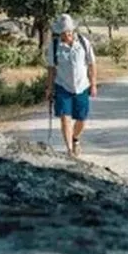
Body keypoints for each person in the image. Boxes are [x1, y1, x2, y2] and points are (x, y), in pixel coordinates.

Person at [46, 14, 97, 156]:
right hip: (63, 86)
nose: (66, 34)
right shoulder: (54, 46)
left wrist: (93, 84)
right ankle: (69, 150)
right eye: (63, 32)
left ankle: (75, 139)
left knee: (82, 118)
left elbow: (92, 64)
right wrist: (49, 88)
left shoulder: (83, 42)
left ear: (73, 30)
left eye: (69, 31)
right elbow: (51, 69)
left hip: (82, 86)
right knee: (65, 117)